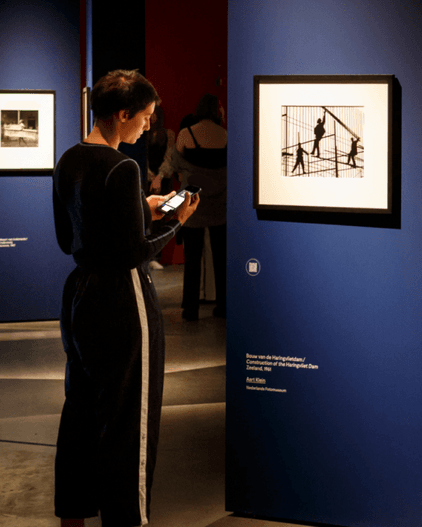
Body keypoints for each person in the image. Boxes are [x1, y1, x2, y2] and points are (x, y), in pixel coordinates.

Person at [52, 69, 199, 527]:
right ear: (123, 113)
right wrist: (176, 221)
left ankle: (72, 515)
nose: (148, 128)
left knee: (79, 408)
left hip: (79, 294)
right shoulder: (123, 167)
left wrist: (145, 208)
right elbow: (134, 251)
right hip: (123, 298)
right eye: (146, 118)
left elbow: (67, 237)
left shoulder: (70, 159)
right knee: (129, 422)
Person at [170, 93, 227, 321]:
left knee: (192, 258)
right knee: (221, 257)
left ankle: (190, 308)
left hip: (192, 201)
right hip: (220, 203)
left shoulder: (186, 134)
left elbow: (175, 163)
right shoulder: (224, 135)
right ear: (216, 110)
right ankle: (223, 305)